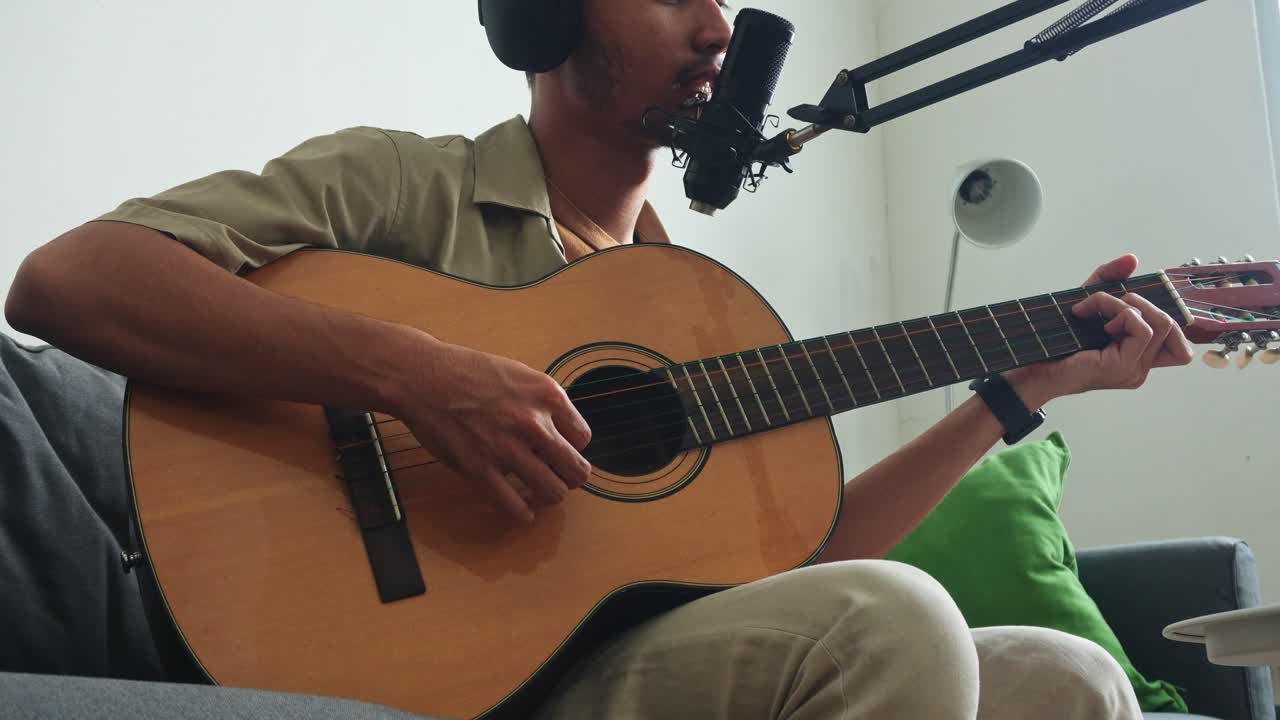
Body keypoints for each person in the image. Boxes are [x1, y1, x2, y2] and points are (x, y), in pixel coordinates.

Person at [5, 1, 1193, 718]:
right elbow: (71, 278)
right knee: (893, 621)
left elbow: (809, 565)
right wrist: (414, 374)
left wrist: (1015, 389)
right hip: (451, 673)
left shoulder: (688, 307)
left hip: (641, 661)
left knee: (1063, 679)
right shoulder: (408, 184)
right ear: (549, 13)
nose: (719, 27)